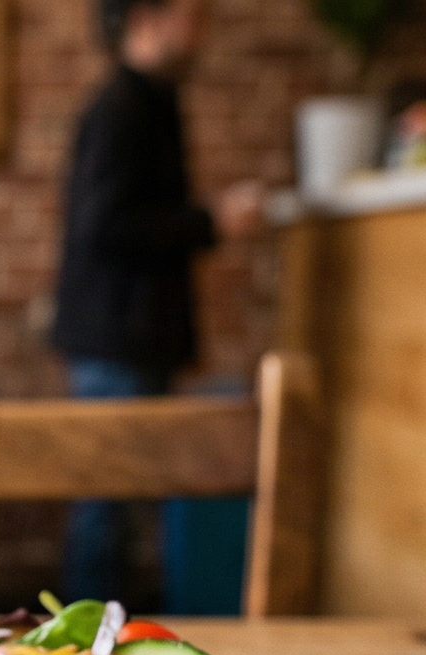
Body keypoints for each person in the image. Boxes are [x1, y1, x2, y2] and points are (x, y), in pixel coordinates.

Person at [50, 0, 265, 607]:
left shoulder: (148, 102)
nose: (204, 30)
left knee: (114, 510)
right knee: (104, 512)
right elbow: (104, 225)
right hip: (116, 342)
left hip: (129, 339)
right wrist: (211, 220)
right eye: (194, 15)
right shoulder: (121, 109)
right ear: (150, 17)